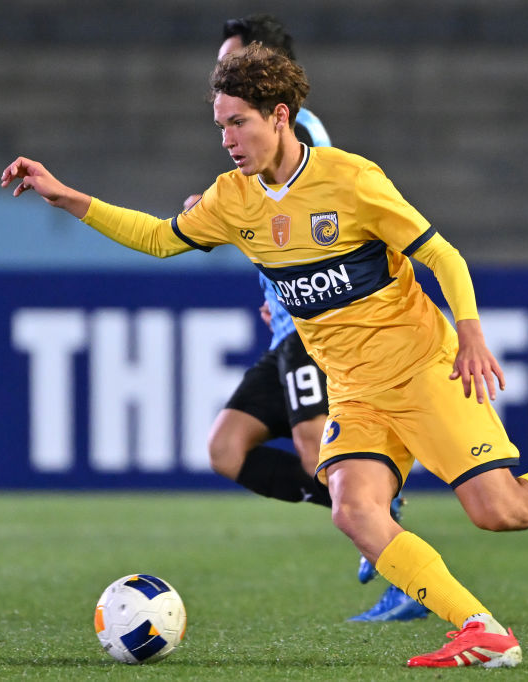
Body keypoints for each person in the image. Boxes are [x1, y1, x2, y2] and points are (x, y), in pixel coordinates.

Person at [1, 44, 528, 669]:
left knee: (499, 509)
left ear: (280, 116)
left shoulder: (352, 181)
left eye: (238, 123)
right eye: (219, 126)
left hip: (422, 368)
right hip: (355, 390)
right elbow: (159, 238)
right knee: (353, 509)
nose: (227, 139)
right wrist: (64, 196)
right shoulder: (233, 200)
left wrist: (471, 333)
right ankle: (483, 629)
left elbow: (443, 255)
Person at [191, 14, 427, 623]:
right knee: (226, 449)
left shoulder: (299, 136)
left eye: (230, 60)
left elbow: (320, 224)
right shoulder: (249, 137)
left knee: (312, 449)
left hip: (316, 325)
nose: (219, 71)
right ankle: (375, 515)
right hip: (285, 326)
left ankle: (396, 554)